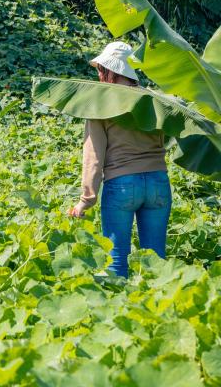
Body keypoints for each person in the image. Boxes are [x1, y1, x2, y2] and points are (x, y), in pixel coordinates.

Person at [68, 42, 171, 277]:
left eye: (99, 69)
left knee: (116, 263)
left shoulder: (101, 105)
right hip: (158, 183)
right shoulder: (154, 100)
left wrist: (86, 200)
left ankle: (117, 310)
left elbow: (93, 156)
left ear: (108, 70)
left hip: (122, 184)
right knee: (156, 263)